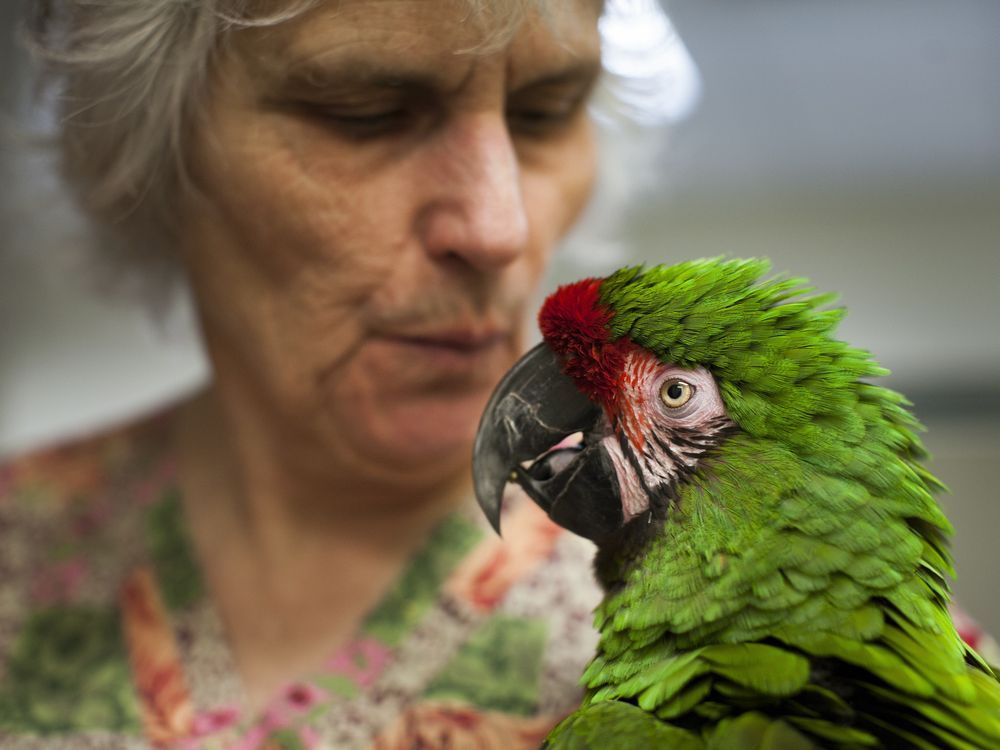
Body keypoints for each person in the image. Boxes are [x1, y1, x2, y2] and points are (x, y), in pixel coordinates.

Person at [0, 0, 610, 747]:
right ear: (149, 140)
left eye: (546, 112)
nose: (499, 227)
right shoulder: (22, 540)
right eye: (368, 114)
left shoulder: (719, 633)